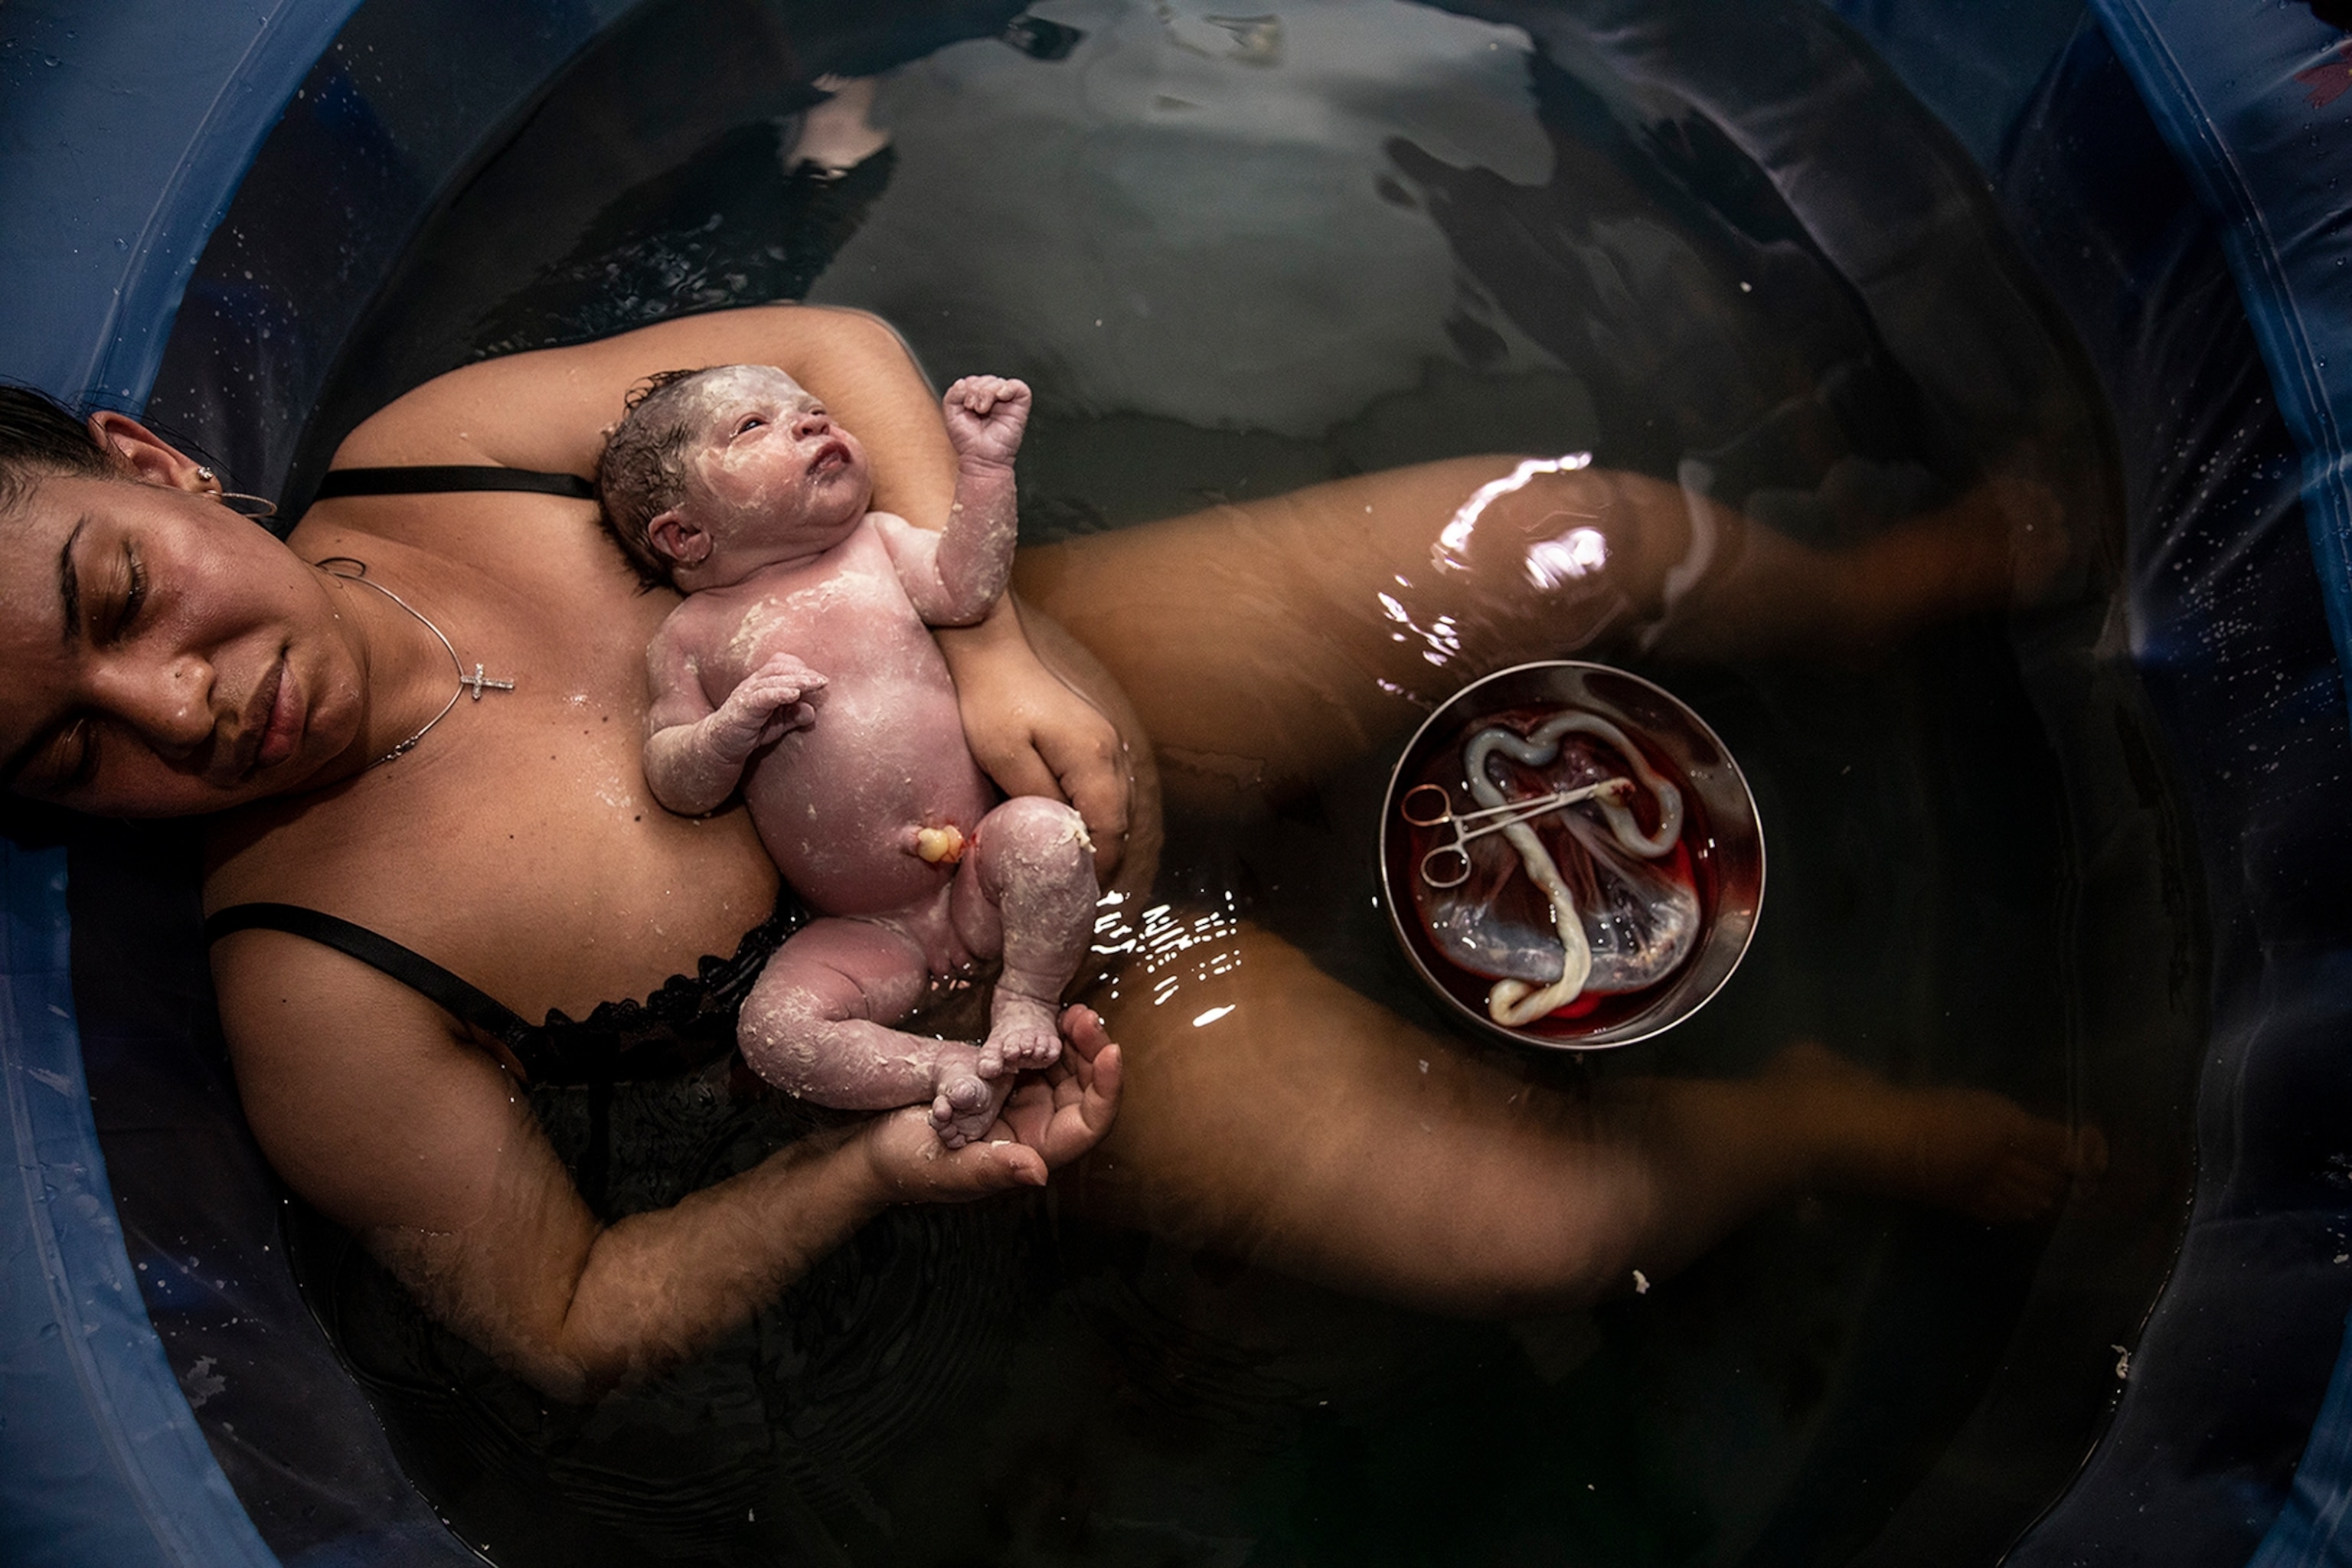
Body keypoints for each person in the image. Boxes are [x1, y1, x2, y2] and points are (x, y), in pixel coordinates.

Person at [0, 302, 2088, 1404]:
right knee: (1527, 1237)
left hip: (1065, 669)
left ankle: (1876, 580)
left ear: (154, 463)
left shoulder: (442, 451)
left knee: (1594, 538)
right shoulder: (321, 981)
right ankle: (1812, 1124)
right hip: (1040, 1003)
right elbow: (558, 1310)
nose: (174, 706)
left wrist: (994, 631)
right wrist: (868, 1172)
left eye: (117, 598)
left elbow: (815, 347)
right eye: (72, 757)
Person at [609, 364, 1096, 1146]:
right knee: (774, 1030)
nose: (810, 422)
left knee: (1047, 833)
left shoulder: (878, 544)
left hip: (979, 869)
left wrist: (984, 467)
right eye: (753, 426)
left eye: (814, 408)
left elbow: (966, 588)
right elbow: (675, 779)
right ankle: (941, 1067)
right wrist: (726, 731)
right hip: (867, 930)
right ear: (685, 535)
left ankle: (1026, 1001)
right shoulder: (691, 638)